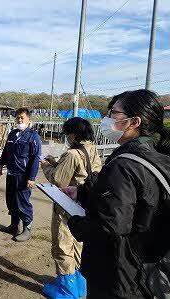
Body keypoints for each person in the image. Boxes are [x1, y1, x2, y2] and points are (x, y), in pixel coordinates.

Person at [63, 89, 170, 298]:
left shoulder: (125, 164)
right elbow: (135, 201)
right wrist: (84, 193)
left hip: (118, 272)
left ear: (134, 122)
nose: (106, 119)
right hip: (145, 265)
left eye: (113, 113)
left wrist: (75, 223)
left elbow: (110, 225)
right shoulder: (156, 157)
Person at [40, 117, 102, 298]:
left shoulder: (72, 154)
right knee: (78, 244)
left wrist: (46, 166)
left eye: (67, 134)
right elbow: (79, 172)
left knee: (62, 244)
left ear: (73, 134)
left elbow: (58, 179)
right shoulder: (91, 149)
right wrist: (55, 163)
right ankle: (79, 284)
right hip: (85, 204)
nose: (66, 138)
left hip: (67, 206)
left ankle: (66, 289)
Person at [0, 107, 42, 242]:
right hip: (11, 173)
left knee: (23, 203)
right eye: (17, 117)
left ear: (29, 119)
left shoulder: (33, 136)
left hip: (23, 176)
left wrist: (31, 178)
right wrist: (0, 165)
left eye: (22, 117)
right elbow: (6, 151)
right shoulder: (12, 134)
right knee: (11, 201)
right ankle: (13, 226)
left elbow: (35, 158)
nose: (19, 120)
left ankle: (27, 229)